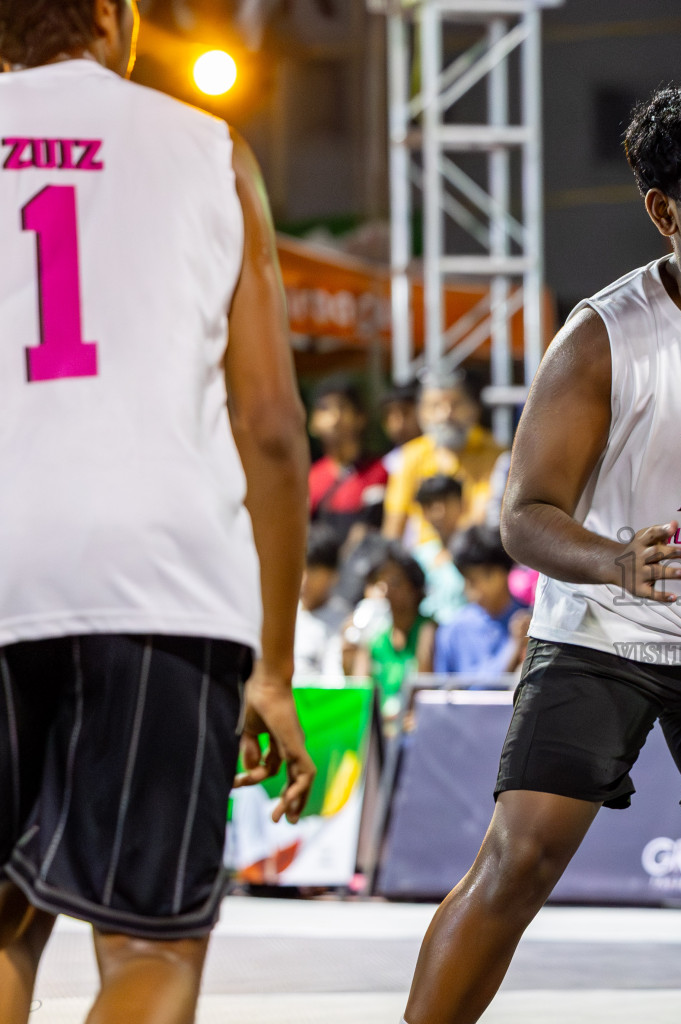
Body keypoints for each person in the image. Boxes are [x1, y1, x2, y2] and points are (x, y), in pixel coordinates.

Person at [400, 82, 681, 1024]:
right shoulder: (603, 335)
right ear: (666, 210)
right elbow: (524, 515)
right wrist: (617, 560)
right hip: (607, 631)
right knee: (521, 859)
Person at [0, 4, 315, 1020]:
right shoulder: (207, 146)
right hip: (160, 577)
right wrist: (272, 664)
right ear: (110, 15)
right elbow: (269, 424)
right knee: (150, 946)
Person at [382, 370, 506, 543]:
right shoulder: (409, 457)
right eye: (435, 406)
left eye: (455, 404)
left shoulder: (497, 456)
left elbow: (481, 517)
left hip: (476, 553)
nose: (446, 414)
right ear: (421, 413)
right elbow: (394, 528)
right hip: (424, 557)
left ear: (474, 408)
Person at [351, 545, 434, 728]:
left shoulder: (427, 631)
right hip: (379, 732)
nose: (387, 590)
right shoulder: (374, 639)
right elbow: (360, 692)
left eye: (395, 582)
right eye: (383, 583)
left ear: (415, 589)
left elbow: (423, 691)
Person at [433, 526, 531, 678]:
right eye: (467, 579)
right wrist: (514, 647)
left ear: (500, 572)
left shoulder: (533, 624)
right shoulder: (451, 631)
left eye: (475, 580)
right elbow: (445, 695)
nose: (471, 591)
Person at [307, 373, 389, 535]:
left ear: (361, 417)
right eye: (324, 408)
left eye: (342, 407)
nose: (334, 418)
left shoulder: (382, 472)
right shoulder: (310, 478)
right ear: (313, 423)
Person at [414, 474, 469, 623]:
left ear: (462, 504)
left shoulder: (476, 551)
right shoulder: (418, 557)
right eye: (431, 505)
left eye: (446, 501)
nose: (440, 512)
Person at [296, 525, 349, 679]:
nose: (305, 580)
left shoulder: (345, 621)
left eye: (313, 571)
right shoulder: (279, 615)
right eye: (301, 568)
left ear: (333, 574)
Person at [381, 382, 422, 477]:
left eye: (405, 412)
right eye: (392, 416)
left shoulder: (441, 457)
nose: (400, 422)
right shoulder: (383, 467)